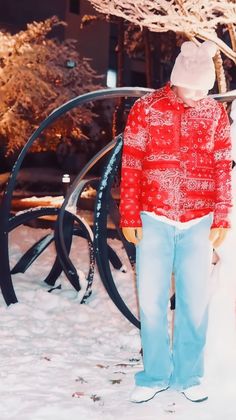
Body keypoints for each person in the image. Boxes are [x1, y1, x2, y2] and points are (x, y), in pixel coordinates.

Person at [119, 40, 232, 403]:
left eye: (205, 88)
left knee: (193, 302)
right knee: (151, 301)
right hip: (153, 217)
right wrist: (129, 213)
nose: (199, 95)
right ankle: (153, 375)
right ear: (176, 79)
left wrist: (222, 216)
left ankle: (189, 374)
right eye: (192, 87)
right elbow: (132, 162)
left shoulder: (215, 115)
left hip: (199, 220)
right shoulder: (146, 109)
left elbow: (223, 168)